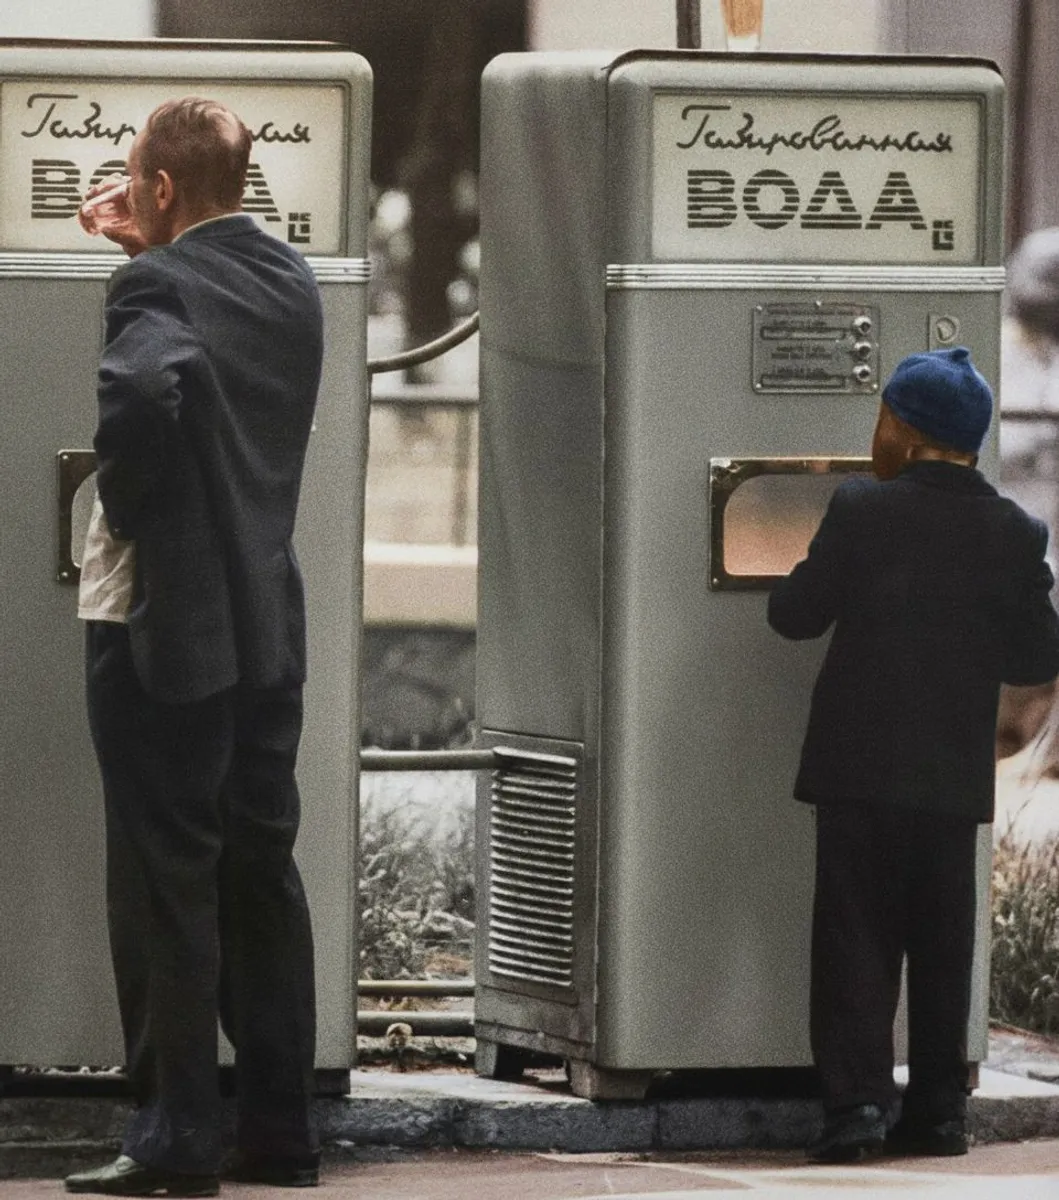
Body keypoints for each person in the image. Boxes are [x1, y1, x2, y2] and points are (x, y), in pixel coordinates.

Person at [64, 97, 324, 1195]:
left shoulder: (153, 287)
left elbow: (140, 388)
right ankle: (278, 1131)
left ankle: (172, 1138)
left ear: (161, 187)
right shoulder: (288, 278)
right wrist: (152, 250)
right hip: (266, 625)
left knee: (167, 881)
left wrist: (126, 500)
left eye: (138, 181)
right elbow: (203, 339)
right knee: (257, 871)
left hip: (167, 626)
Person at [768, 346, 1059, 1165]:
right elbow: (1035, 657)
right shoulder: (1013, 530)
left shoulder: (862, 509)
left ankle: (856, 1109)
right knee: (941, 947)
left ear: (902, 425)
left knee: (853, 940)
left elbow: (794, 615)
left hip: (857, 768)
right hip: (947, 774)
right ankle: (936, 1114)